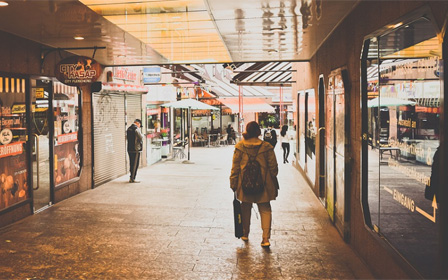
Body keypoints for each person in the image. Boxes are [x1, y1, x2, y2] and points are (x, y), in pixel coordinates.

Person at [230, 121, 279, 247]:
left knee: (245, 208)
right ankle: (265, 238)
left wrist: (233, 182)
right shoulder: (266, 147)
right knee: (265, 209)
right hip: (264, 184)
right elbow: (274, 168)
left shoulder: (240, 147)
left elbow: (235, 168)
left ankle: (245, 234)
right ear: (258, 132)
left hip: (244, 184)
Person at [126, 119, 143, 183]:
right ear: (138, 123)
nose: (139, 126)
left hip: (129, 148)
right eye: (139, 125)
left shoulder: (128, 129)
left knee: (131, 163)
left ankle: (131, 177)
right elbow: (141, 138)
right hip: (135, 149)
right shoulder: (136, 129)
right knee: (135, 164)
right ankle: (132, 178)